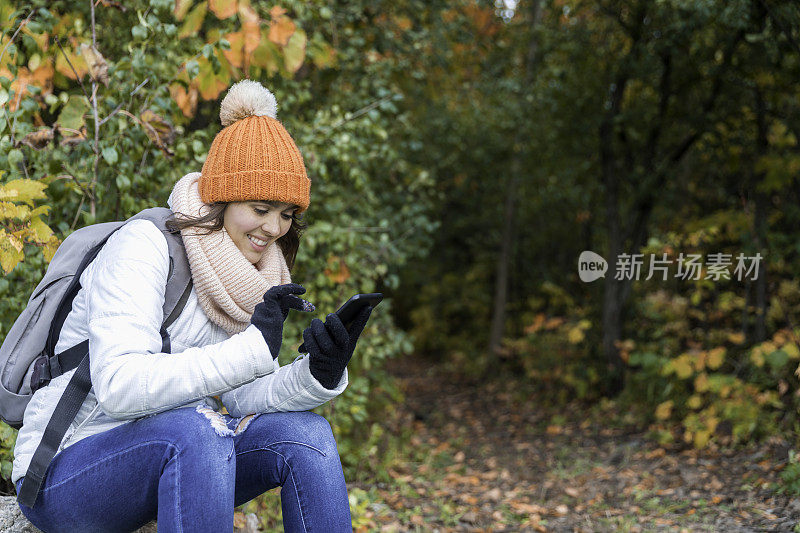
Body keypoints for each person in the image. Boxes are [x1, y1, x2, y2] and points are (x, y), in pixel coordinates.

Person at [12, 79, 370, 532]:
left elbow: (241, 398)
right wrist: (252, 350)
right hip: (67, 469)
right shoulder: (145, 246)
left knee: (308, 436)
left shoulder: (246, 275)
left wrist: (317, 372)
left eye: (286, 214)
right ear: (221, 199)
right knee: (197, 428)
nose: (275, 228)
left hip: (180, 453)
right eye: (261, 208)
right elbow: (119, 386)